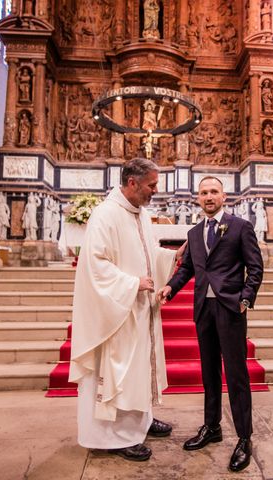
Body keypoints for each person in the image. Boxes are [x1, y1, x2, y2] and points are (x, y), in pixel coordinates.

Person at [68, 158, 184, 462]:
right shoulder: (105, 215)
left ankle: (139, 423)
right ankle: (113, 437)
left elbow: (147, 252)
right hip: (116, 312)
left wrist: (171, 257)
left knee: (137, 371)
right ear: (132, 183)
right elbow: (95, 265)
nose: (155, 191)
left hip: (139, 309)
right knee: (118, 373)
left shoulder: (141, 215)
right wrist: (133, 284)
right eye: (151, 185)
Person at [157, 176, 264, 473]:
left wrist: (245, 299)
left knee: (237, 374)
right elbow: (188, 267)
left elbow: (255, 267)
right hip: (203, 309)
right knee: (209, 371)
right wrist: (170, 288)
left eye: (213, 192)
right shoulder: (193, 232)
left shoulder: (240, 227)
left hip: (230, 308)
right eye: (203, 192)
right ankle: (212, 426)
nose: (208, 196)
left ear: (223, 196)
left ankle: (244, 437)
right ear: (197, 198)